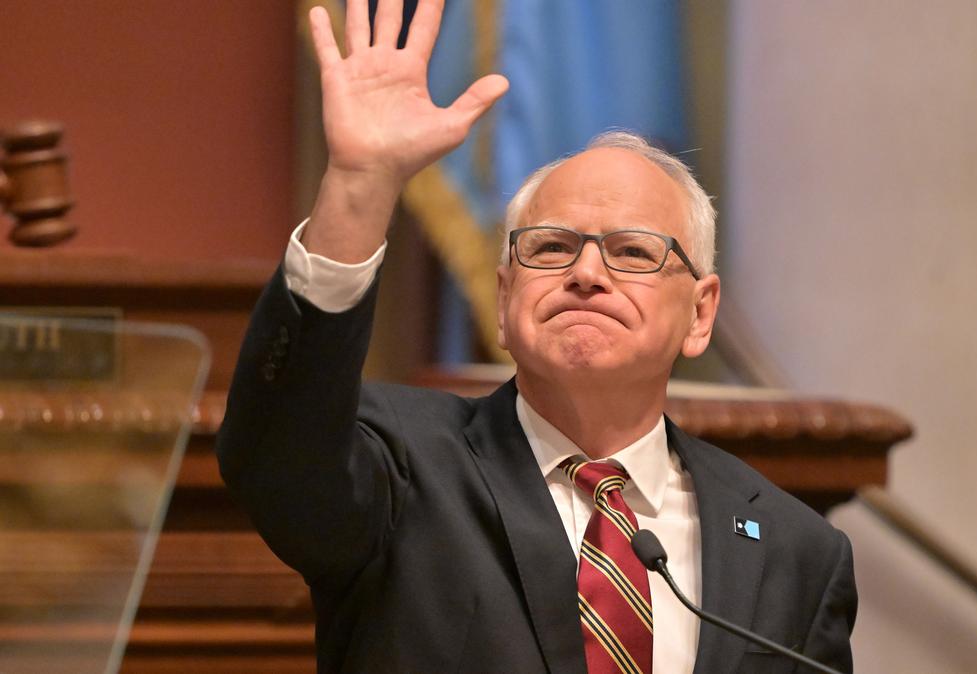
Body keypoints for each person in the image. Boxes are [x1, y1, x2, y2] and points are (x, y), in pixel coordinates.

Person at [216, 0, 857, 672]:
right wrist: (358, 185)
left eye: (633, 253)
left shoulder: (795, 552)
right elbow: (275, 454)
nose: (585, 273)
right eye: (550, 248)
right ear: (504, 299)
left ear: (700, 313)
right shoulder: (398, 465)